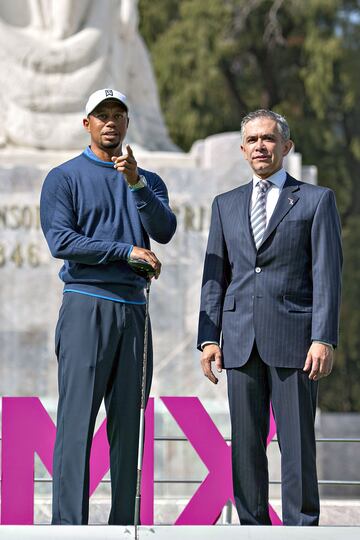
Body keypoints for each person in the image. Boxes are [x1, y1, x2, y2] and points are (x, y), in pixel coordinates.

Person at [197, 109, 342, 526]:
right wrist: (209, 338)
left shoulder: (316, 200)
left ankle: (301, 530)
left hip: (296, 342)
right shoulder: (225, 205)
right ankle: (253, 530)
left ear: (286, 146)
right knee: (245, 446)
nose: (261, 146)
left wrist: (324, 337)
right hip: (239, 342)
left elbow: (327, 275)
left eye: (269, 139)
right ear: (243, 150)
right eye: (253, 140)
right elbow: (215, 278)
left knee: (296, 446)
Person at [40, 88, 177, 525]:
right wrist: (126, 253)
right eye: (102, 115)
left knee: (128, 428)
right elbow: (62, 241)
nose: (110, 122)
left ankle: (124, 527)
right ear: (87, 124)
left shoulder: (148, 180)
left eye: (118, 114)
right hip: (87, 306)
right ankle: (68, 528)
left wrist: (135, 182)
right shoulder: (63, 178)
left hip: (135, 312)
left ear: (127, 123)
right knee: (77, 424)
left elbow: (166, 229)